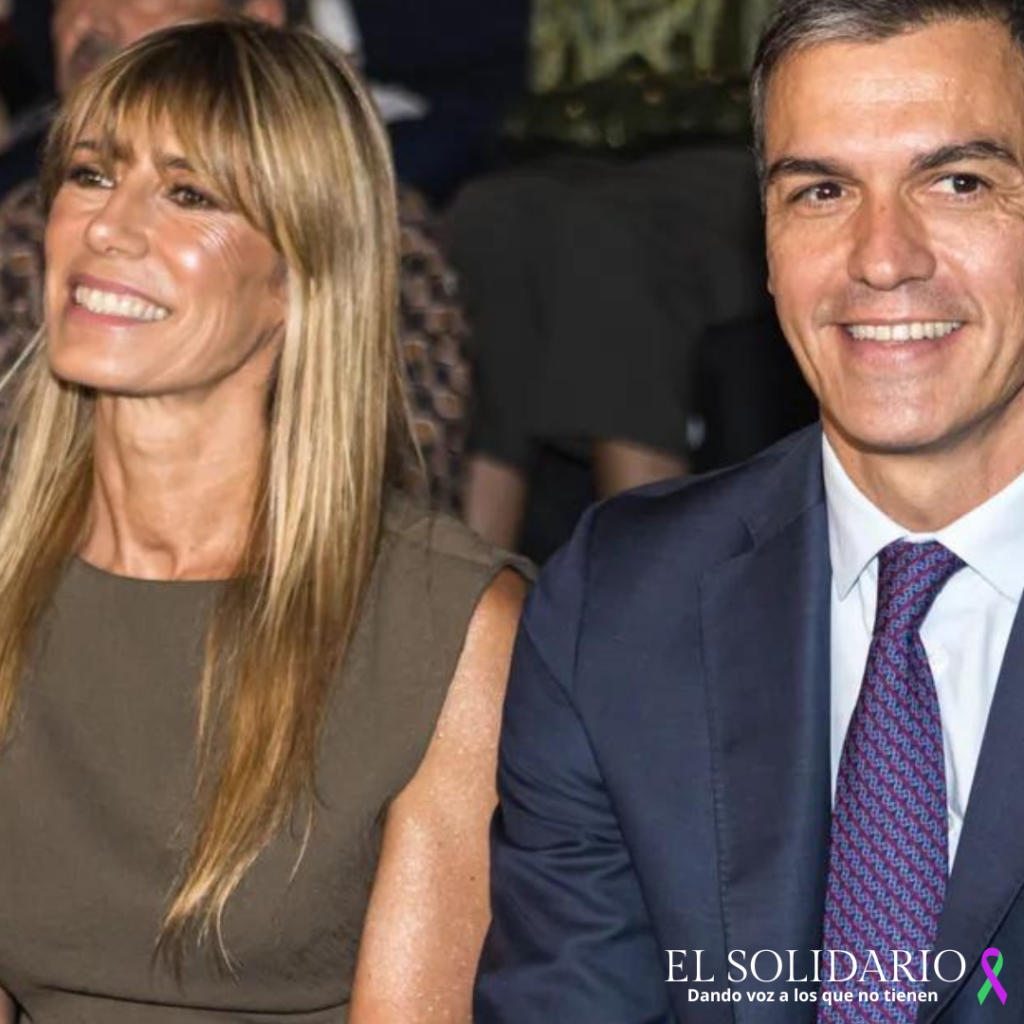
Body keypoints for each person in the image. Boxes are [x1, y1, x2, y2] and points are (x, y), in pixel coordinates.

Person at [476, 0, 1024, 1020]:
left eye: (956, 181)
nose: (882, 256)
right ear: (764, 248)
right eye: (819, 190)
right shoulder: (621, 603)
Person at [0, 18, 529, 1022]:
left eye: (190, 193)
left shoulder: (440, 631)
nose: (108, 227)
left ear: (300, 275)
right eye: (90, 174)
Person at [0, 0, 471, 511]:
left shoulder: (379, 231)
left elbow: (404, 490)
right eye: (90, 175)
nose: (91, 20)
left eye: (189, 195)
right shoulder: (26, 217)